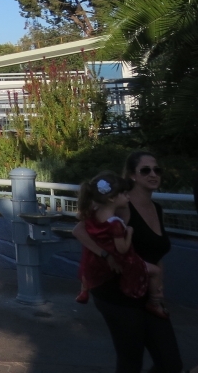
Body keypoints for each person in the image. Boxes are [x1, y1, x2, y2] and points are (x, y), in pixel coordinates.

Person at [74, 151, 184, 373]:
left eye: (157, 170)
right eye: (145, 170)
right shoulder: (122, 205)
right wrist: (107, 255)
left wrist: (158, 290)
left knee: (170, 363)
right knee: (130, 360)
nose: (153, 174)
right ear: (132, 175)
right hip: (117, 293)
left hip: (148, 293)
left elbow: (157, 253)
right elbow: (80, 229)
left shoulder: (157, 209)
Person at [75, 172, 158, 312]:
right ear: (112, 198)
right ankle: (156, 301)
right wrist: (130, 232)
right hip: (124, 260)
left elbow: (79, 230)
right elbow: (122, 249)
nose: (128, 197)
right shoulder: (115, 224)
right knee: (156, 271)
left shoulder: (93, 216)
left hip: (96, 263)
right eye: (124, 194)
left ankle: (84, 289)